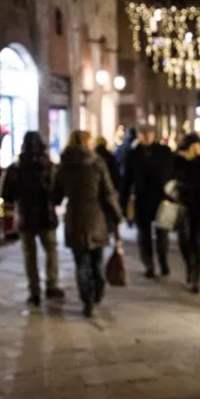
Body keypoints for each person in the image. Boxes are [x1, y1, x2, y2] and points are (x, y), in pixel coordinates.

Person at [54, 130, 123, 318]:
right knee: (97, 261)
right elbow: (108, 193)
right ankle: (98, 291)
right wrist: (117, 216)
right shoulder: (97, 163)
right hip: (96, 216)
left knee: (81, 263)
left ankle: (87, 300)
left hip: (75, 217)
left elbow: (56, 196)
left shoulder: (64, 165)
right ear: (87, 143)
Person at [0, 131, 63, 307]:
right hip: (46, 216)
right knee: (51, 251)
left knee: (30, 256)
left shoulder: (16, 168)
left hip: (26, 216)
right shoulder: (49, 167)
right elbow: (57, 192)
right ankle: (51, 285)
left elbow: (6, 195)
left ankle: (34, 291)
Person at [121, 125, 174, 279]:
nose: (146, 137)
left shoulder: (164, 152)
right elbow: (127, 180)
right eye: (142, 134)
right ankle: (149, 265)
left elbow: (171, 174)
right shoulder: (133, 154)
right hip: (142, 198)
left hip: (161, 198)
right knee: (144, 235)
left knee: (162, 233)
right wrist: (124, 202)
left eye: (148, 134)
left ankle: (163, 261)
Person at [170, 133, 200, 293]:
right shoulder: (179, 161)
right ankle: (189, 266)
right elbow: (172, 180)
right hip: (183, 206)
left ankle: (196, 277)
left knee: (197, 242)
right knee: (183, 240)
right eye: (198, 145)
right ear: (191, 146)